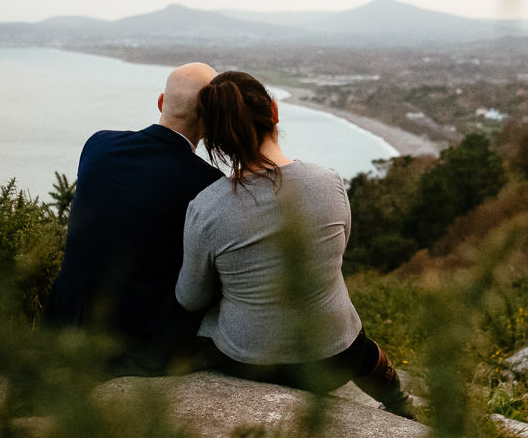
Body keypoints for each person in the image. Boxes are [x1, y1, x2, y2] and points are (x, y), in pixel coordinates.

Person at [176, 70, 414, 417]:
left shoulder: (207, 208)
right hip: (337, 359)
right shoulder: (329, 183)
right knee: (350, 327)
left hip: (249, 363)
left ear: (213, 136)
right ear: (274, 110)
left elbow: (190, 298)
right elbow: (335, 256)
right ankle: (401, 405)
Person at [45, 62, 222, 376]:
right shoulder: (206, 183)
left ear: (160, 102)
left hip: (64, 321)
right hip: (132, 345)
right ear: (208, 121)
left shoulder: (98, 145)